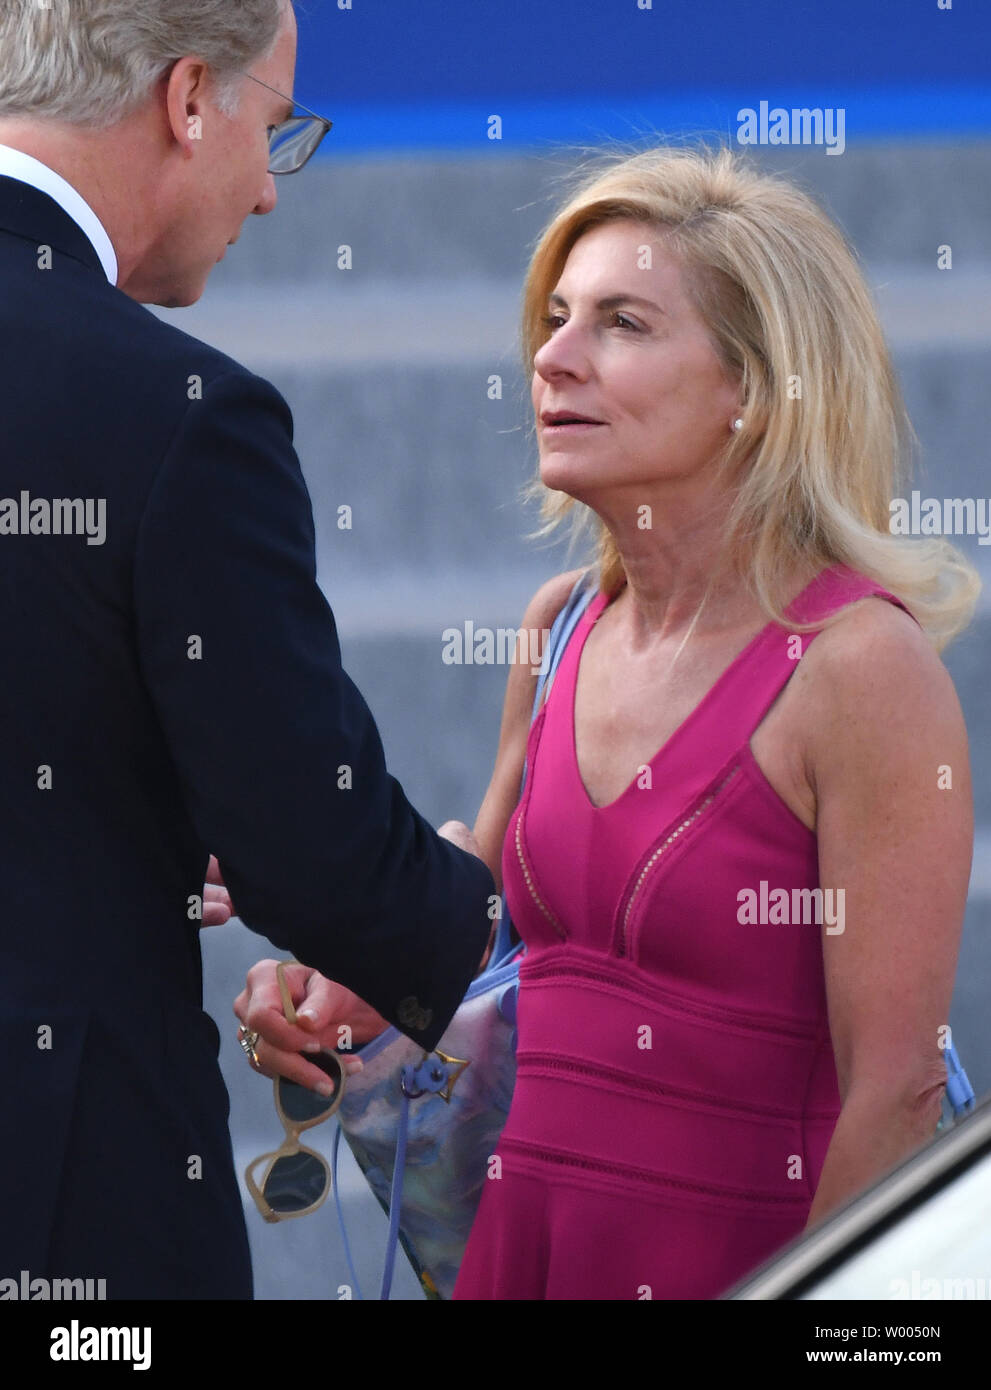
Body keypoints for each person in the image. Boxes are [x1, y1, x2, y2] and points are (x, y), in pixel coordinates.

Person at [236, 145, 978, 1299]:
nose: (552, 357)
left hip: (755, 1265)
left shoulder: (860, 669)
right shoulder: (559, 624)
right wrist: (333, 988)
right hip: (521, 1251)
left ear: (755, 388)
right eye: (555, 317)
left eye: (621, 323)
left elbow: (896, 1093)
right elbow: (473, 929)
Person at [0, 0, 492, 1300]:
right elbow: (309, 844)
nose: (270, 194)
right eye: (275, 127)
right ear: (184, 99)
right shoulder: (175, 414)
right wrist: (504, 948)